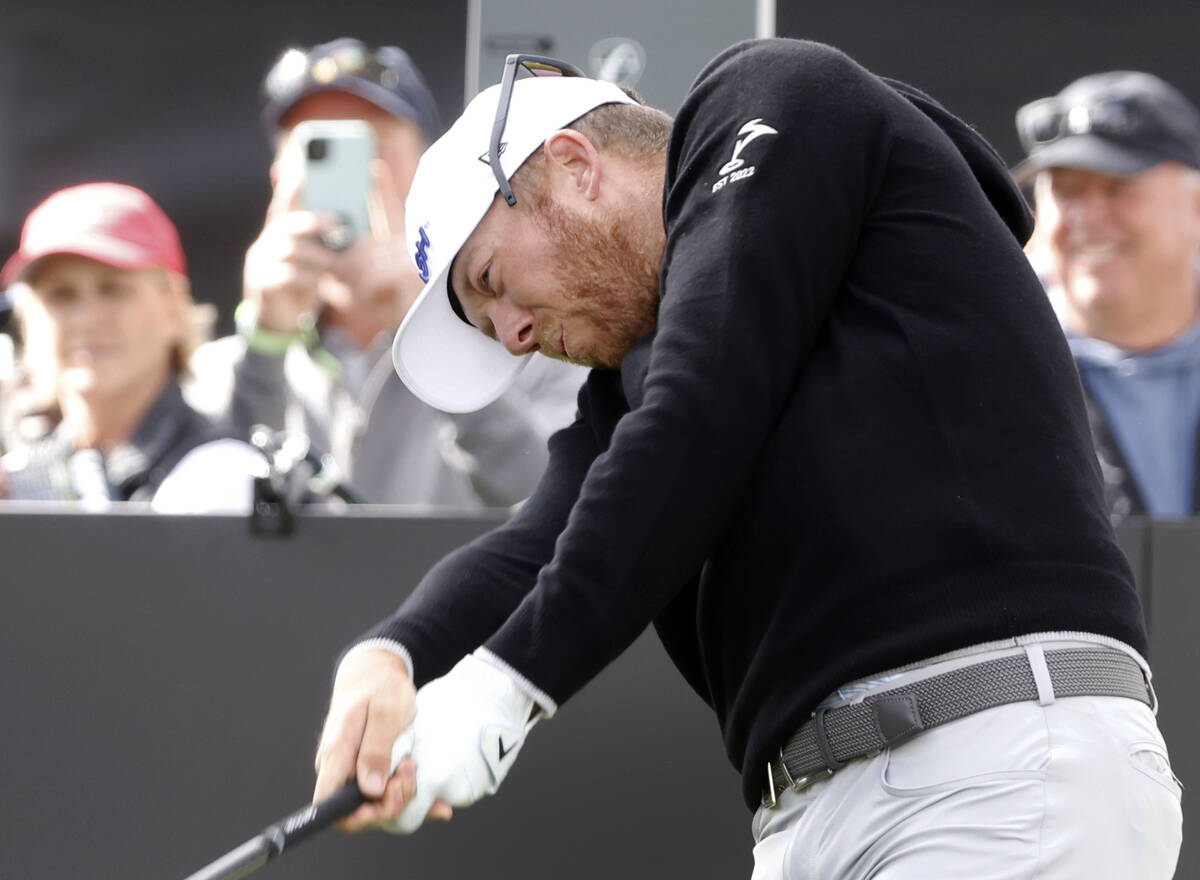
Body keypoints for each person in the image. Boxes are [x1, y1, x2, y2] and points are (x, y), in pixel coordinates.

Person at [311, 40, 1182, 877]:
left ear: (575, 166)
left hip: (995, 757)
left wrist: (505, 689)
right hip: (821, 811)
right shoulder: (638, 379)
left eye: (492, 284)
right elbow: (545, 535)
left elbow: (699, 413)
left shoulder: (770, 99)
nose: (515, 337)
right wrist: (392, 656)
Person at [187, 38, 586, 507]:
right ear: (280, 179)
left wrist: (433, 331)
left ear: (430, 171)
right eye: (319, 150)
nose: (353, 177)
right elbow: (207, 517)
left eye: (370, 146)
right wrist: (265, 342)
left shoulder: (528, 341)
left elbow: (544, 495)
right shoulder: (220, 368)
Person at [0, 182, 260, 512]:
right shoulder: (19, 479)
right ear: (27, 322)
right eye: (60, 295)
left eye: (114, 289)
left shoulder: (222, 472)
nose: (87, 318)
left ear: (174, 307)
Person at [1014, 71, 1200, 519]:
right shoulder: (989, 362)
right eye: (1066, 189)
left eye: (1120, 187)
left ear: (1196, 207)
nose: (1089, 216)